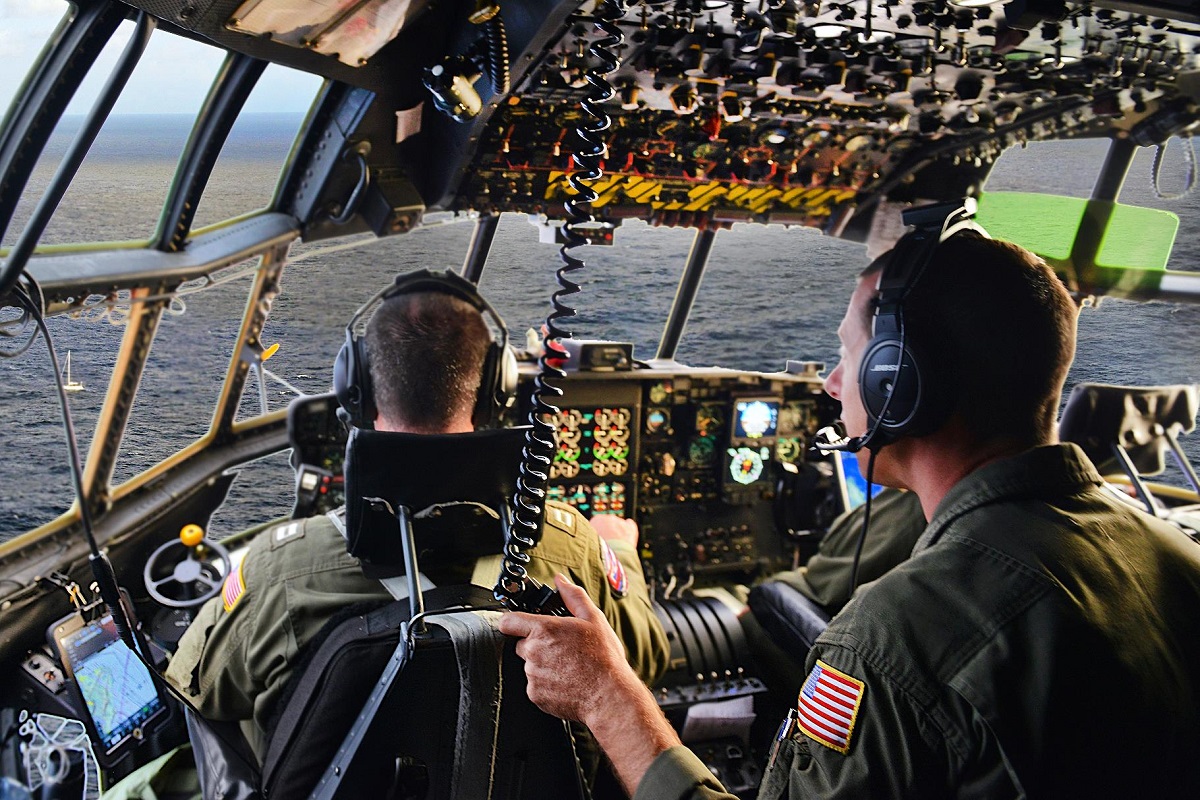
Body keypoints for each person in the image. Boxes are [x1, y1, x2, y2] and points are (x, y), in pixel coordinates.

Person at [498, 230, 1200, 798]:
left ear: (900, 378)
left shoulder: (902, 636)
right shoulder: (1176, 558)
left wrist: (609, 695)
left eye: (847, 355)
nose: (833, 385)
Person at [166, 276, 669, 761]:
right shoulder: (571, 544)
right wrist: (618, 548)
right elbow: (644, 661)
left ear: (355, 385)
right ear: (498, 385)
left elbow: (199, 688)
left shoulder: (281, 566)